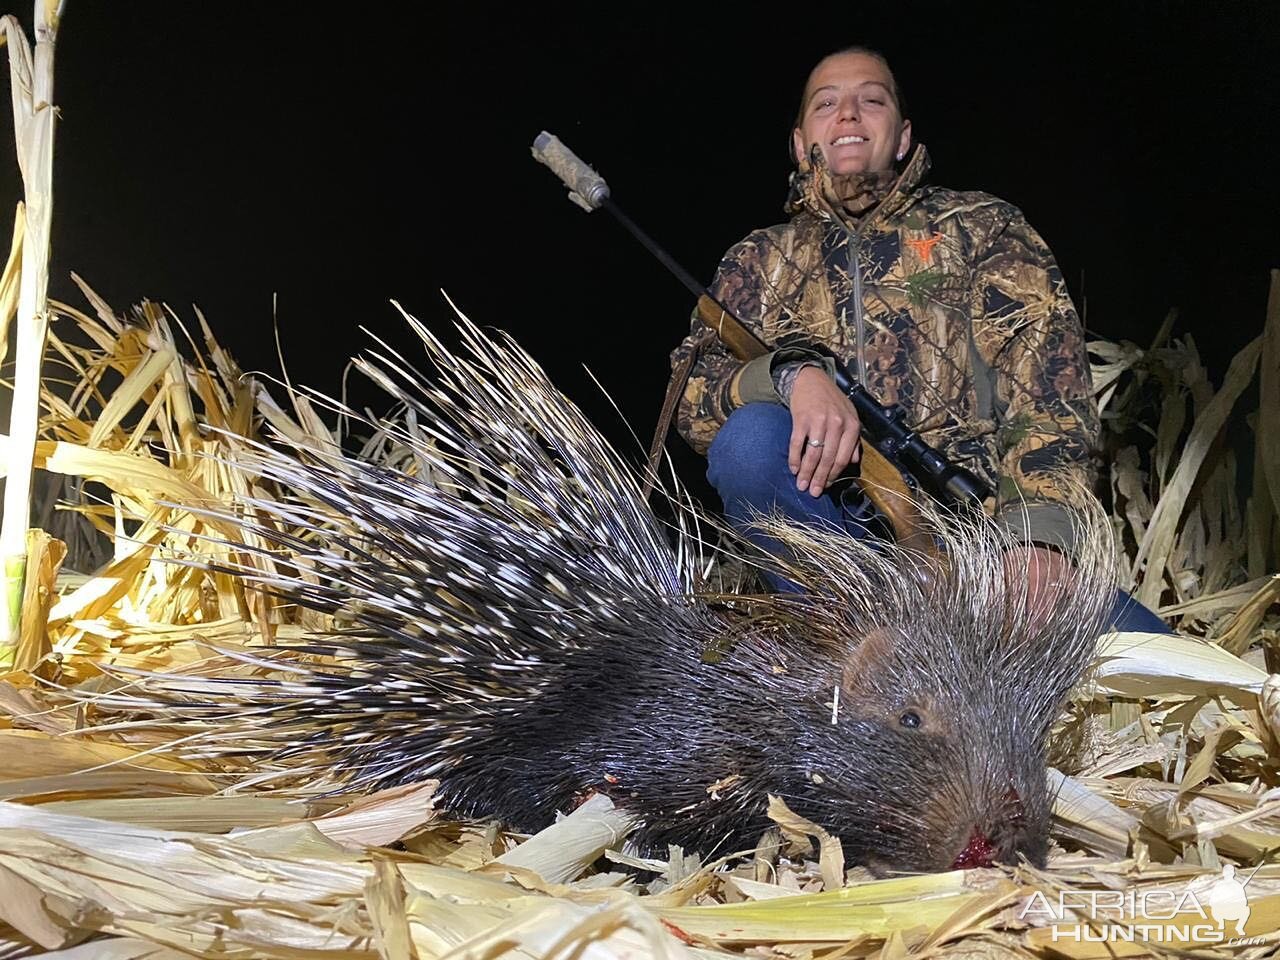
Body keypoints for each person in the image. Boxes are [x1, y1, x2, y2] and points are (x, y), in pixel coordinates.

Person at [669, 46, 1168, 633]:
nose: (849, 114)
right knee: (750, 439)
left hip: (983, 552)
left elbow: (1050, 400)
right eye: (827, 104)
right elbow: (693, 400)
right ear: (801, 144)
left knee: (1192, 680)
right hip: (839, 557)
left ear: (903, 137)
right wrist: (788, 377)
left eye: (871, 100)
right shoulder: (756, 261)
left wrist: (1039, 539)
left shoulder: (984, 229)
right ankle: (855, 651)